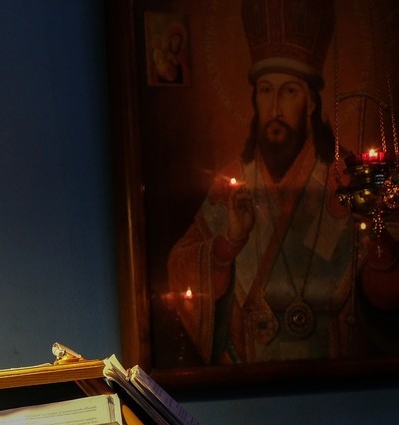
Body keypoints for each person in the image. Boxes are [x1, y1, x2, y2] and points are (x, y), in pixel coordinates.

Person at [166, 0, 399, 364]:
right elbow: (180, 265)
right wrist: (229, 244)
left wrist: (375, 236)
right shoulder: (234, 181)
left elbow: (387, 293)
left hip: (342, 374)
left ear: (311, 103)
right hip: (252, 377)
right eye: (265, 91)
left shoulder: (346, 177)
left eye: (289, 91)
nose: (274, 109)